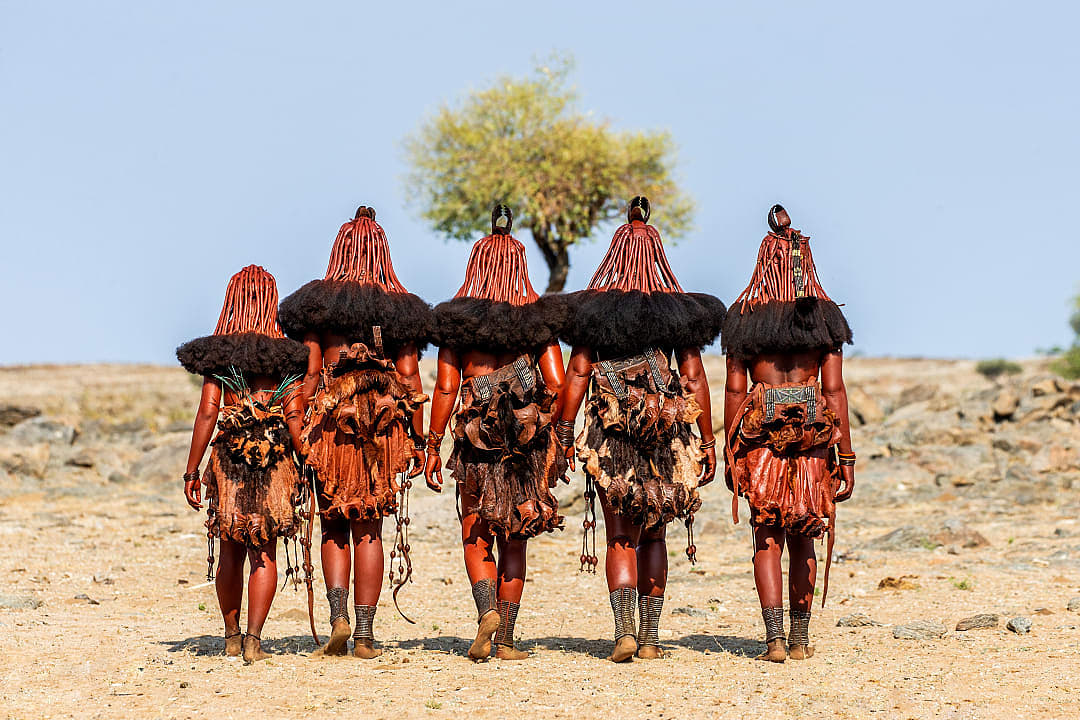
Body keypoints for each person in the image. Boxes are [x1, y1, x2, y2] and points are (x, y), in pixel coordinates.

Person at [556, 197, 725, 662]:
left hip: (611, 438)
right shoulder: (677, 313)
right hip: (666, 438)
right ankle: (650, 639)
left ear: (614, 253)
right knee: (655, 533)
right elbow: (693, 378)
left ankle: (624, 632)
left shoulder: (592, 313)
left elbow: (577, 375)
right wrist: (707, 442)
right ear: (657, 255)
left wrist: (564, 433)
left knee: (619, 536)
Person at [277, 206, 432, 658]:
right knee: (370, 528)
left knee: (333, 525)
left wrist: (299, 434)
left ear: (340, 250)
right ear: (382, 251)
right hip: (383, 433)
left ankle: (338, 618)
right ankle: (364, 634)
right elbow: (411, 380)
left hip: (331, 425)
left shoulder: (318, 310)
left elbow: (307, 379)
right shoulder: (400, 311)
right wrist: (420, 441)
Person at [424, 204, 566, 661]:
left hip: (473, 437)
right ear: (520, 267)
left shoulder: (457, 324)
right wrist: (553, 433)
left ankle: (485, 609)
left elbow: (447, 387)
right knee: (516, 534)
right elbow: (560, 384)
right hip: (527, 441)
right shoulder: (538, 322)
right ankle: (504, 637)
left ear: (476, 265)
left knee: (475, 528)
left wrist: (431, 445)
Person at [722, 204, 855, 662]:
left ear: (764, 261)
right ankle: (799, 640)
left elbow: (735, 390)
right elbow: (834, 391)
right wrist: (848, 457)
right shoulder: (824, 320)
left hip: (761, 439)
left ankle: (774, 639)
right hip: (815, 440)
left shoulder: (742, 317)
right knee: (805, 533)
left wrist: (729, 452)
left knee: (767, 536)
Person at [177, 265, 310, 663]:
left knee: (230, 550)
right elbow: (294, 416)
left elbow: (207, 414)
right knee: (263, 549)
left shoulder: (220, 355)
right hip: (274, 460)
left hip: (228, 462)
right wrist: (305, 464)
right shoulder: (287, 355)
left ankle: (231, 636)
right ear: (271, 302)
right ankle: (254, 640)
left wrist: (191, 471)